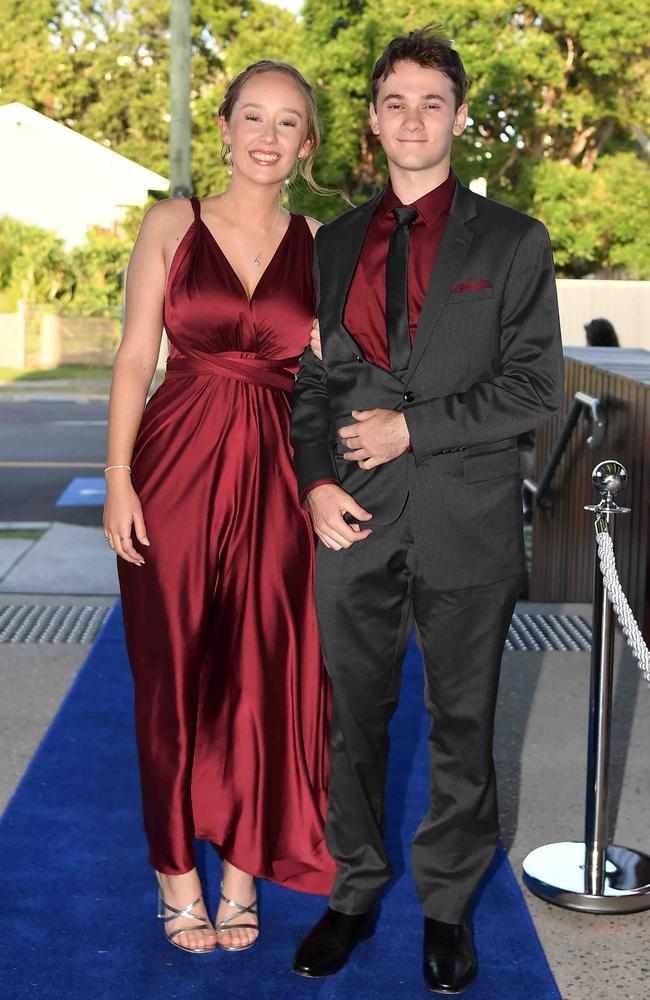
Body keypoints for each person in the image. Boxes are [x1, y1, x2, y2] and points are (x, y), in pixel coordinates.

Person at [290, 24, 563, 994]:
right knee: (350, 722)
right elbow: (310, 386)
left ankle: (445, 905)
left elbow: (537, 388)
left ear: (457, 117)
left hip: (465, 521)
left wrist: (415, 428)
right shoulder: (329, 244)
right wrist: (315, 479)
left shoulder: (513, 241)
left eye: (431, 103)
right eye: (395, 102)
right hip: (350, 521)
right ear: (372, 119)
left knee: (461, 721)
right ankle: (355, 888)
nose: (413, 118)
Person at [103, 60, 336, 956]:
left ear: (307, 144)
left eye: (287, 123)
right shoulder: (172, 223)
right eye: (252, 117)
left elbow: (342, 369)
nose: (267, 136)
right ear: (226, 128)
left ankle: (242, 866)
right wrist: (118, 475)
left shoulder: (322, 239)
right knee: (169, 677)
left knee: (264, 679)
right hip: (174, 471)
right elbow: (134, 356)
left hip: (280, 477)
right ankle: (176, 870)